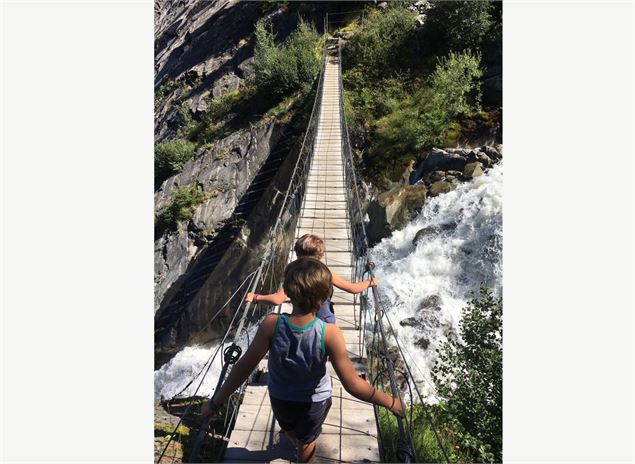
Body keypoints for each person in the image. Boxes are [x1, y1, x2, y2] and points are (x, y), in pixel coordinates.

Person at [202, 257, 404, 462]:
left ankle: (297, 440)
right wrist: (391, 401)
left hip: (280, 398)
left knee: (289, 427)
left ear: (288, 292)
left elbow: (244, 366)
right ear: (326, 296)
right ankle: (303, 448)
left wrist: (215, 403)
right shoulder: (329, 333)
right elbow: (352, 384)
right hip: (314, 402)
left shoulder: (271, 324)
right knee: (307, 442)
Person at [246, 234, 379, 324]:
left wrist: (256, 298)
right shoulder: (326, 274)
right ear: (320, 255)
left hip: (301, 321)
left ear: (297, 254)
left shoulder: (294, 274)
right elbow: (353, 289)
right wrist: (369, 282)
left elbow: (277, 299)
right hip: (325, 321)